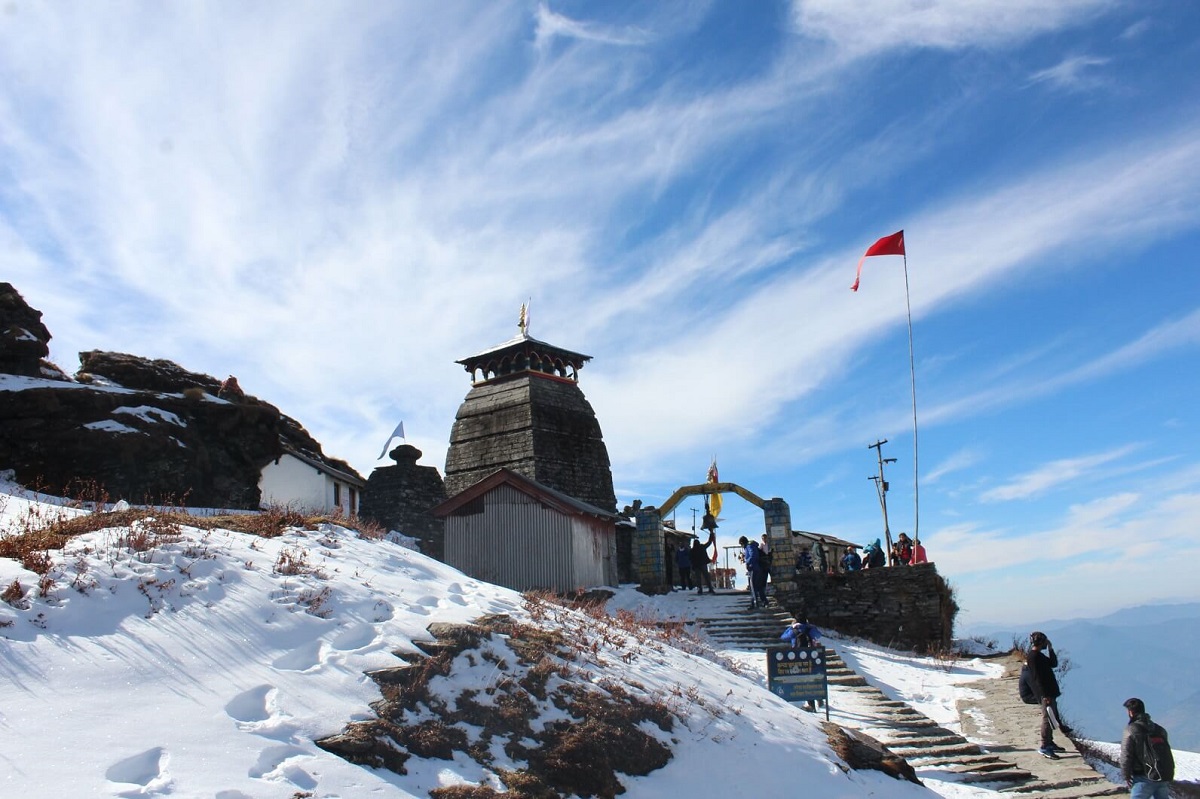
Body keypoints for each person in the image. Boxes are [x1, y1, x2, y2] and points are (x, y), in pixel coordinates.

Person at [1121, 697, 1174, 798]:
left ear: (1130, 712)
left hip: (1142, 777)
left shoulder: (1131, 729)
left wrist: (1126, 776)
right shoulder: (1160, 729)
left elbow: (1126, 754)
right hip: (1162, 775)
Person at [1026, 631, 1068, 759]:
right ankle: (1045, 746)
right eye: (1045, 641)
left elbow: (1053, 663)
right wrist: (1045, 695)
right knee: (1047, 719)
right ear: (1041, 642)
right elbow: (1038, 678)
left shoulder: (1038, 656)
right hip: (1046, 694)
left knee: (1051, 718)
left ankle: (1050, 742)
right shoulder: (1034, 657)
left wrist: (1050, 649)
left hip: (1049, 692)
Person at [740, 535, 768, 609]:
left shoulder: (749, 546)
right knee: (758, 586)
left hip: (753, 568)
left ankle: (755, 603)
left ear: (742, 542)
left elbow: (753, 555)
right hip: (756, 568)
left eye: (741, 544)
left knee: (753, 587)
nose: (741, 546)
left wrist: (747, 562)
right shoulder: (751, 545)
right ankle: (763, 602)